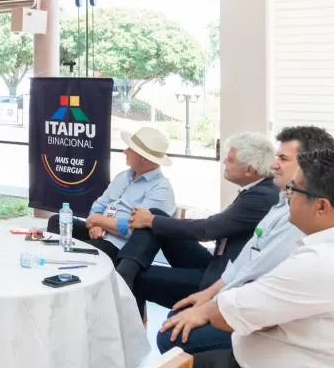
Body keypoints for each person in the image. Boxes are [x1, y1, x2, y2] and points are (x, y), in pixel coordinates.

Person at [187, 149, 334, 368]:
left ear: (321, 206)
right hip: (253, 363)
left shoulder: (323, 264)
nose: (287, 197)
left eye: (293, 190)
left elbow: (224, 316)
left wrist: (260, 314)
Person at [158, 126, 334, 355]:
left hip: (258, 314)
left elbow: (255, 271)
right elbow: (246, 261)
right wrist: (209, 296)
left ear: (309, 167)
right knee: (175, 318)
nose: (273, 165)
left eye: (283, 159)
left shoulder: (301, 216)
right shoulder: (281, 202)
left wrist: (211, 306)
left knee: (169, 335)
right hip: (234, 291)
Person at [116, 133, 278, 311]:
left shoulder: (261, 197)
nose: (224, 162)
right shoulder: (258, 190)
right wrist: (152, 219)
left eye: (230, 160)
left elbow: (208, 229)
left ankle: (122, 278)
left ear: (250, 169)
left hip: (218, 279)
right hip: (215, 262)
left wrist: (151, 221)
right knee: (154, 216)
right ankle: (124, 272)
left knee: (138, 275)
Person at [46, 126, 176, 259]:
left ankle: (65, 263)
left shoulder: (161, 189)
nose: (125, 151)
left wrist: (100, 221)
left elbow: (135, 228)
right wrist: (96, 224)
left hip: (120, 246)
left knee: (84, 250)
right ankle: (59, 260)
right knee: (56, 221)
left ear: (145, 159)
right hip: (100, 230)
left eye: (130, 149)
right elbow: (99, 204)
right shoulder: (123, 176)